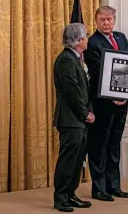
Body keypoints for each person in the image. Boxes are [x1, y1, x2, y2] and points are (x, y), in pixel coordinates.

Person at [84, 6, 128, 201]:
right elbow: (97, 72)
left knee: (114, 145)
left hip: (123, 102)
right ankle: (99, 189)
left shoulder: (121, 38)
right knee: (99, 145)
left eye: (109, 19)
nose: (106, 23)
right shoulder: (92, 43)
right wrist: (112, 96)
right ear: (96, 21)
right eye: (102, 20)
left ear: (114, 20)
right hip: (102, 103)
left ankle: (114, 186)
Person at [53, 23, 95, 212]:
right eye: (86, 36)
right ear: (78, 41)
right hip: (71, 120)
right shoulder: (66, 60)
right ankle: (61, 198)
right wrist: (85, 113)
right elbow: (72, 93)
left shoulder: (77, 58)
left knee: (77, 160)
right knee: (68, 160)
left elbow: (85, 90)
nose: (88, 39)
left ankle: (71, 194)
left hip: (79, 121)